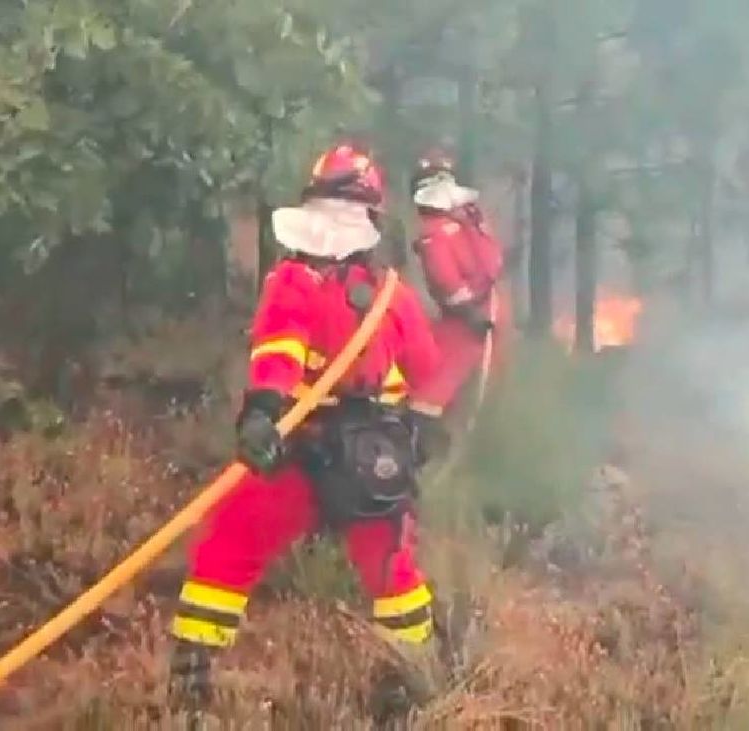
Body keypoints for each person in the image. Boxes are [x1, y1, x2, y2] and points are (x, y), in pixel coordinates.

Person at [166, 140, 448, 717]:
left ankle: (190, 683)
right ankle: (419, 687)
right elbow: (428, 372)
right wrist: (418, 434)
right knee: (393, 572)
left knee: (229, 547)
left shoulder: (293, 280)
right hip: (372, 461)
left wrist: (263, 414)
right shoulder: (393, 295)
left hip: (301, 447)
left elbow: (278, 354)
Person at [408, 147, 512, 421]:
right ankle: (434, 432)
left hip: (487, 312)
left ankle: (486, 428)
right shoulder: (435, 233)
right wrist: (469, 313)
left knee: (489, 382)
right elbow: (445, 281)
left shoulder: (468, 221)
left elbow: (492, 260)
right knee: (442, 381)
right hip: (466, 321)